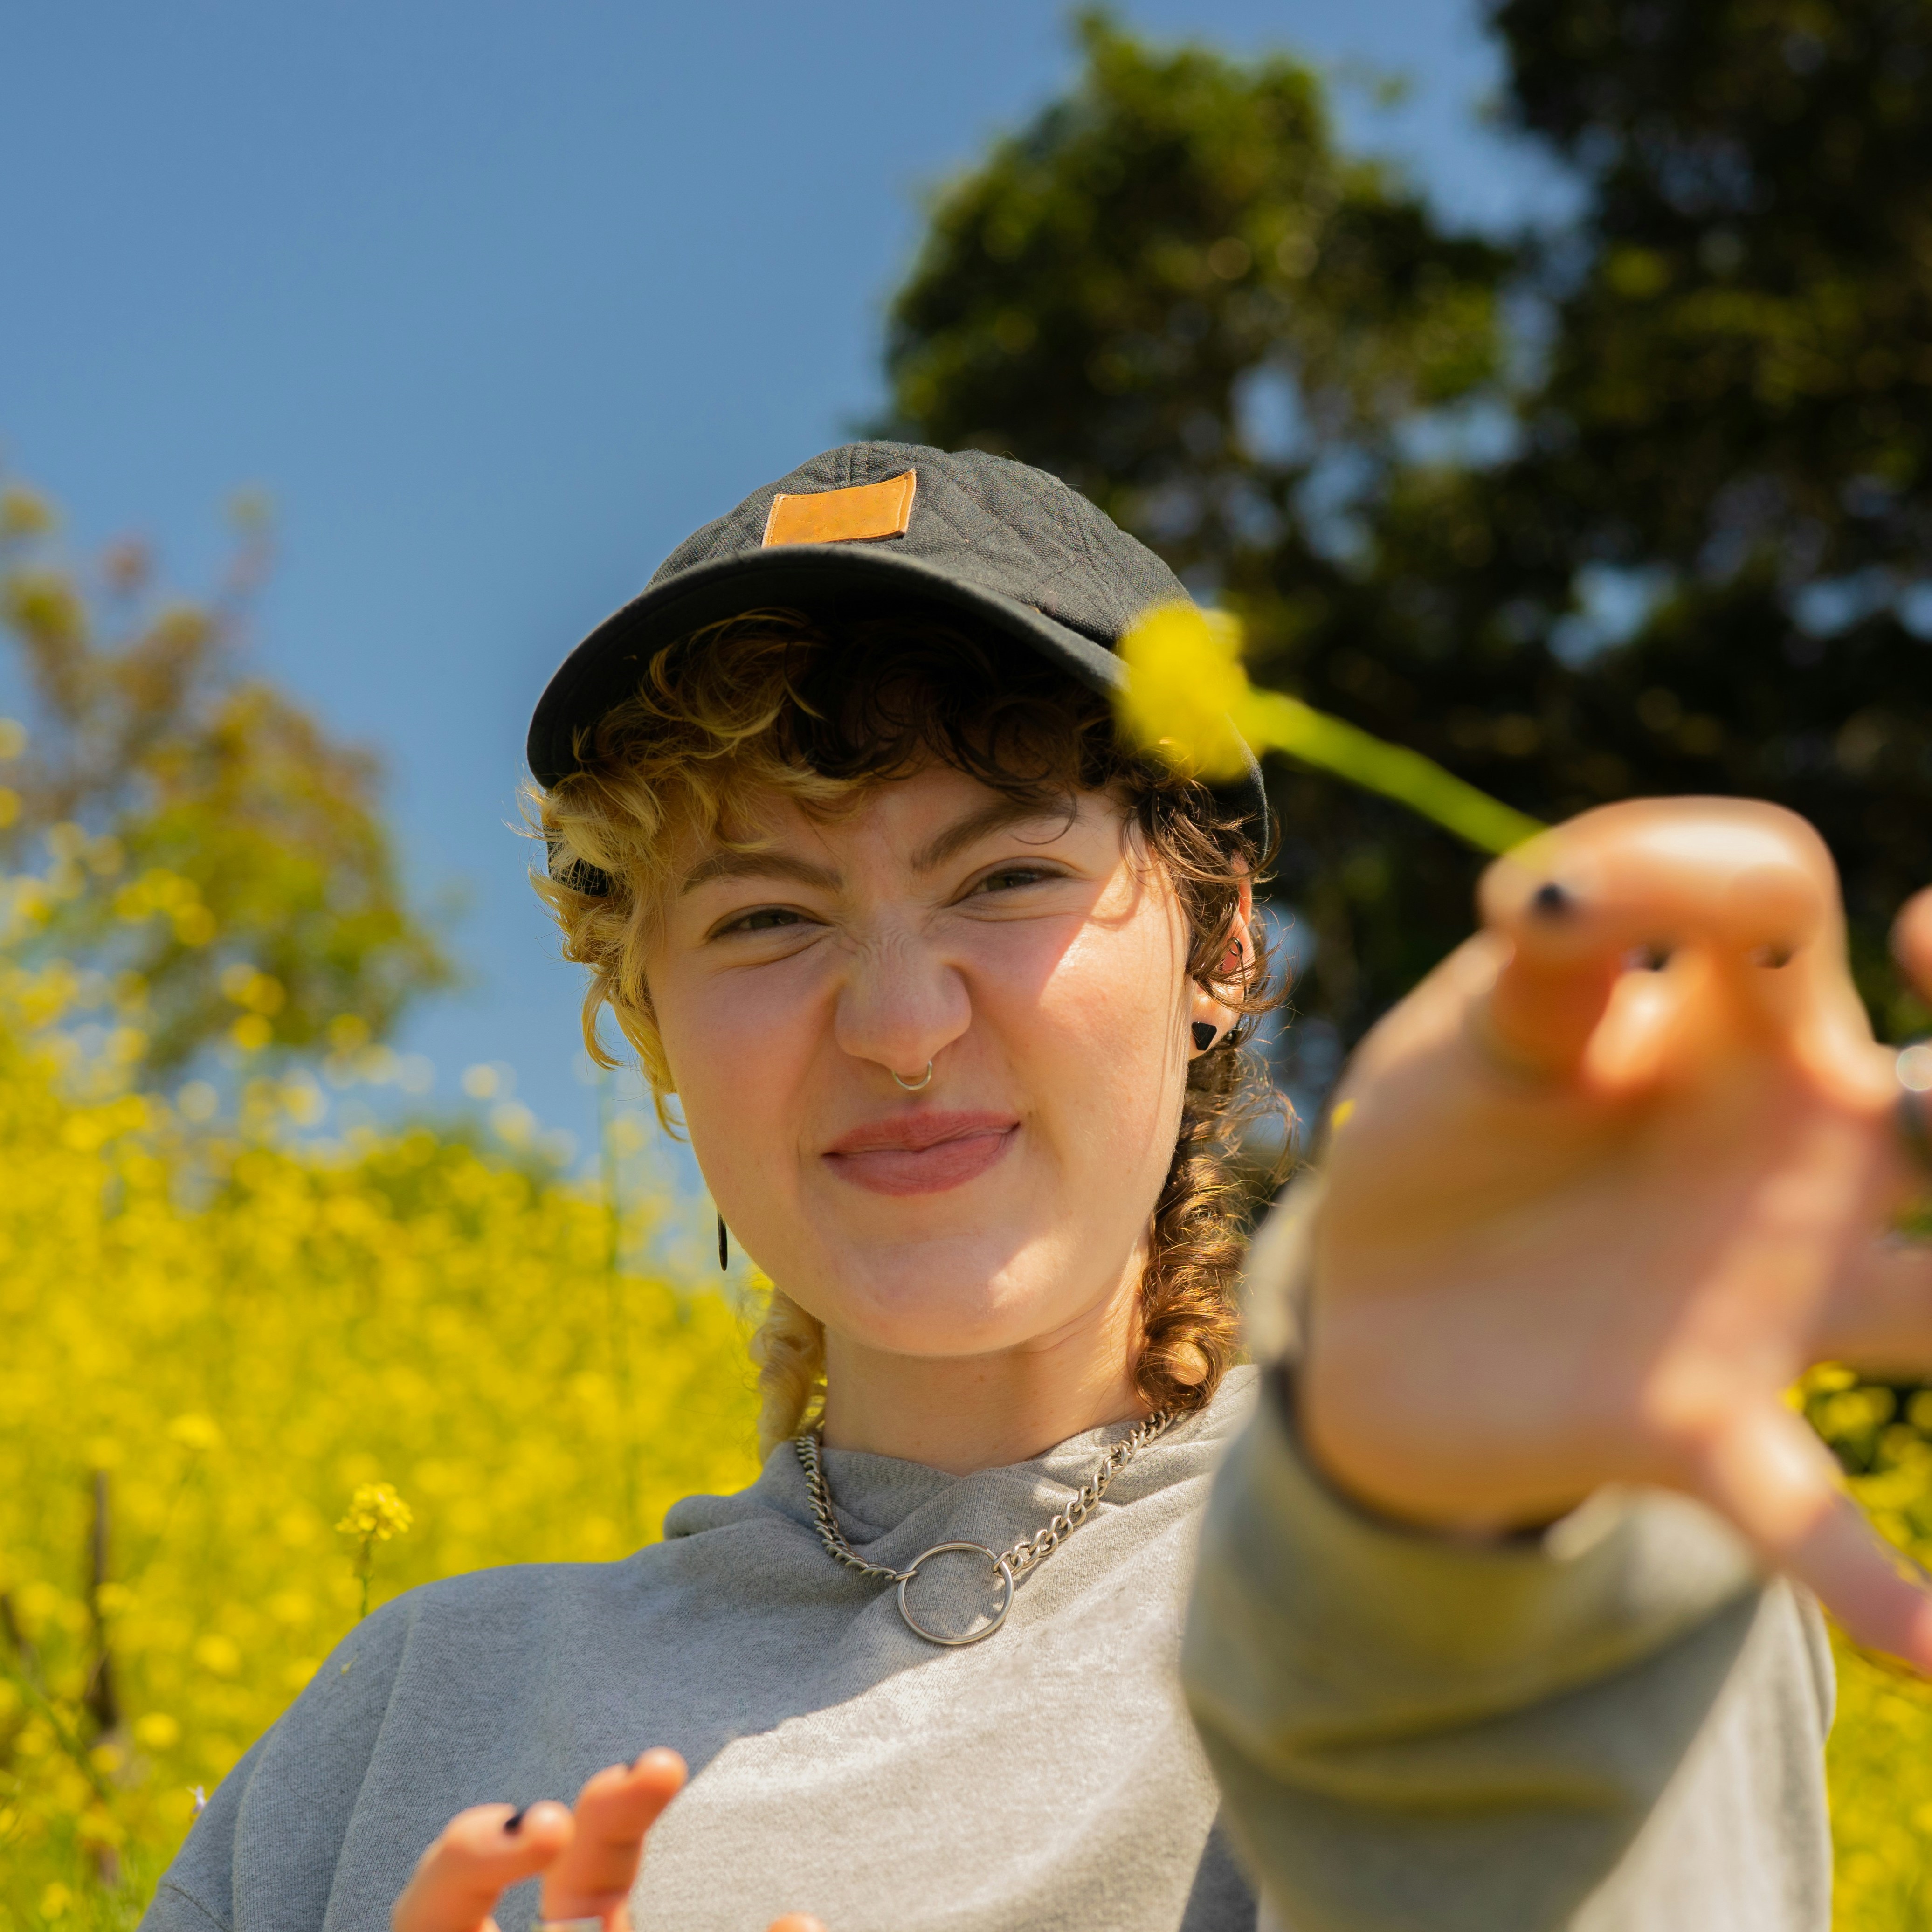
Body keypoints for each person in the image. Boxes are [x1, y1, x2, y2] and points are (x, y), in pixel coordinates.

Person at [139, 442, 1932, 1932]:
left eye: (1005, 878)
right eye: (766, 918)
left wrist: (1466, 1539)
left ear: (1222, 938)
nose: (904, 1026)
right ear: (652, 1023)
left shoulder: (1491, 1535)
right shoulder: (395, 1726)